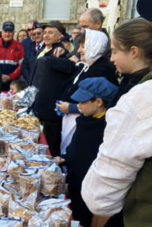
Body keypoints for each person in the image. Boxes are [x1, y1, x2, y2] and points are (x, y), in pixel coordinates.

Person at [81, 18, 152, 227]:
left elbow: (100, 198)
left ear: (134, 51)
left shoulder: (140, 98)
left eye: (114, 51)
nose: (111, 59)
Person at [54, 77, 118, 227]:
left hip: (85, 190)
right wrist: (63, 158)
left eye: (83, 101)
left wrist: (73, 187)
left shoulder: (105, 129)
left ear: (98, 102)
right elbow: (75, 150)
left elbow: (88, 163)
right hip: (72, 182)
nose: (79, 105)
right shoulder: (84, 120)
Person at [57, 29, 117, 155]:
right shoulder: (86, 65)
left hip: (85, 123)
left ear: (94, 46)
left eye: (83, 46)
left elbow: (102, 103)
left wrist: (72, 107)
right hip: (72, 119)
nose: (79, 50)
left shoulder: (103, 70)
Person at [28, 21, 74, 157]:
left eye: (51, 33)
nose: (46, 35)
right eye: (45, 32)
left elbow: (70, 66)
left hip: (49, 110)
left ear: (60, 36)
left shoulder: (60, 52)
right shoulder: (43, 50)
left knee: (49, 147)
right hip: (36, 105)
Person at [0, 21, 24, 91]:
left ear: (13, 33)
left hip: (12, 84)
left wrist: (10, 77)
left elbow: (21, 66)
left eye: (10, 32)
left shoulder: (19, 47)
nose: (7, 34)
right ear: (2, 32)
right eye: (5, 31)